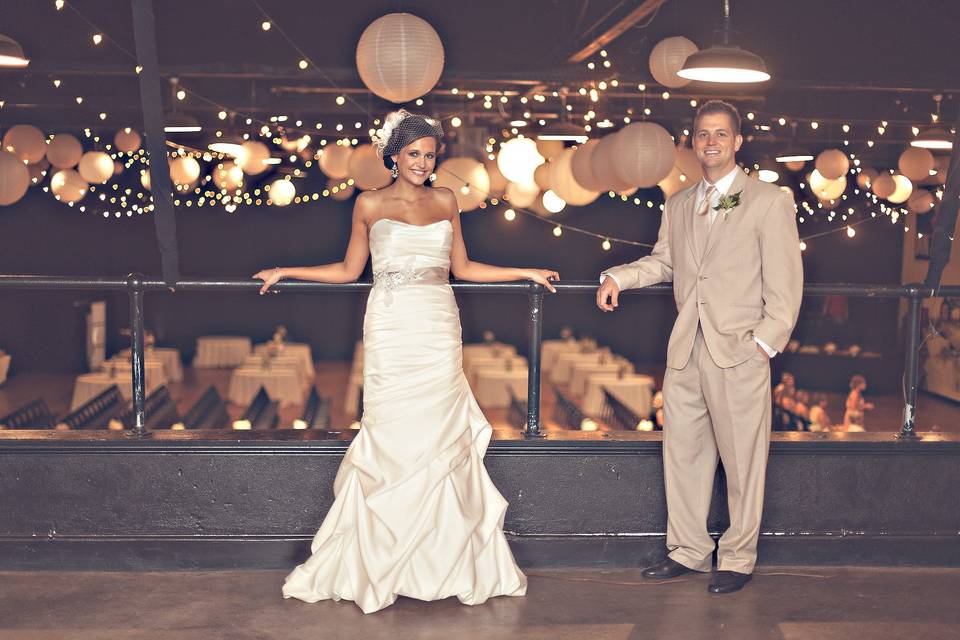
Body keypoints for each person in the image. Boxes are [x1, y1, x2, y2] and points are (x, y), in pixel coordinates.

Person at [255, 109, 558, 614]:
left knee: (441, 436)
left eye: (429, 155)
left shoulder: (446, 200)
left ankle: (445, 561)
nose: (422, 163)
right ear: (393, 155)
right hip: (392, 325)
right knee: (392, 433)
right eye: (413, 154)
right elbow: (350, 270)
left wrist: (523, 270)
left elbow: (462, 267)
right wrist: (287, 270)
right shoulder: (369, 204)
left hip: (438, 323)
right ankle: (380, 558)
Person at [596, 100, 803, 594]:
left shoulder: (770, 201)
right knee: (683, 456)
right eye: (702, 134)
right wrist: (618, 277)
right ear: (692, 142)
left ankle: (737, 557)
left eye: (720, 134)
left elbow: (786, 286)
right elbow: (665, 262)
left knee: (742, 462)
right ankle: (687, 551)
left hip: (739, 351)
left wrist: (763, 344)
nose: (710, 142)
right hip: (686, 349)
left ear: (737, 142)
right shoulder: (679, 203)